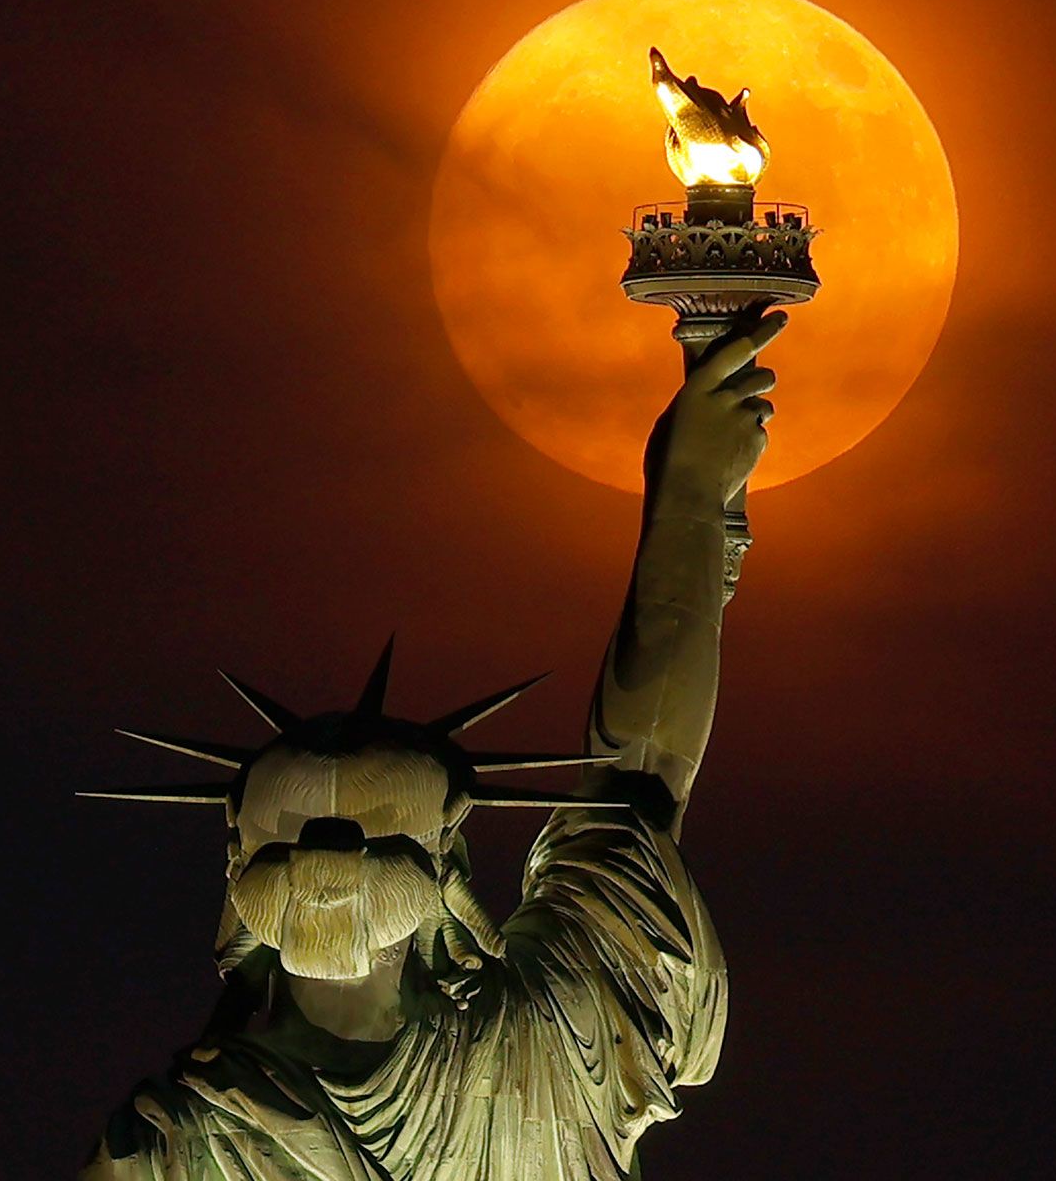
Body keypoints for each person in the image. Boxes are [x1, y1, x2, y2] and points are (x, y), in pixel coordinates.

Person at [79, 310, 789, 1181]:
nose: (329, 854)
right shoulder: (559, 1037)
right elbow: (638, 783)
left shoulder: (171, 1146)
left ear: (236, 865)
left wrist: (686, 503)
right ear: (446, 852)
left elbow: (634, 789)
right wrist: (688, 500)